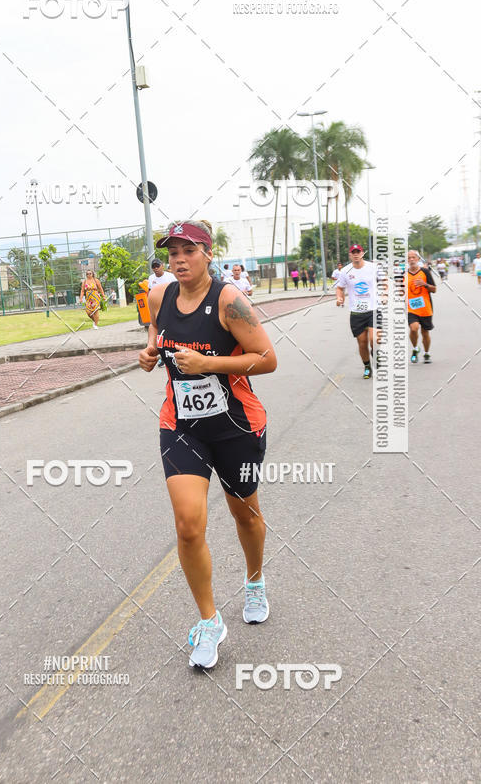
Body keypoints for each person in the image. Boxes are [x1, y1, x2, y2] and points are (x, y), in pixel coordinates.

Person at [138, 220, 277, 670]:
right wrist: (148, 355)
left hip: (235, 425)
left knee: (244, 513)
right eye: (172, 251)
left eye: (189, 250)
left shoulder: (230, 301)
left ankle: (254, 581)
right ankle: (209, 621)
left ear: (207, 253)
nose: (179, 259)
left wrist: (207, 362)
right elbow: (156, 344)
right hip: (182, 425)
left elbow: (266, 358)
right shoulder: (160, 296)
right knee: (188, 524)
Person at [335, 245, 383, 379]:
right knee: (362, 342)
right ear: (350, 255)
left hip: (373, 308)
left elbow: (384, 282)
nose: (356, 254)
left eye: (358, 252)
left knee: (375, 340)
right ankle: (367, 366)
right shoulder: (345, 271)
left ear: (362, 253)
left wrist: (385, 294)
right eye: (353, 252)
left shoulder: (373, 268)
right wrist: (340, 297)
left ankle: (377, 355)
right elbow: (340, 288)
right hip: (356, 312)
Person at [406, 250, 436, 363]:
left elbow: (434, 289)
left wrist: (425, 284)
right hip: (411, 308)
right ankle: (415, 348)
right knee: (414, 328)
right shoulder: (404, 274)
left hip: (425, 308)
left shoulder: (425, 272)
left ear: (418, 259)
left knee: (425, 332)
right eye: (409, 258)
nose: (411, 259)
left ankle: (427, 353)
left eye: (413, 257)